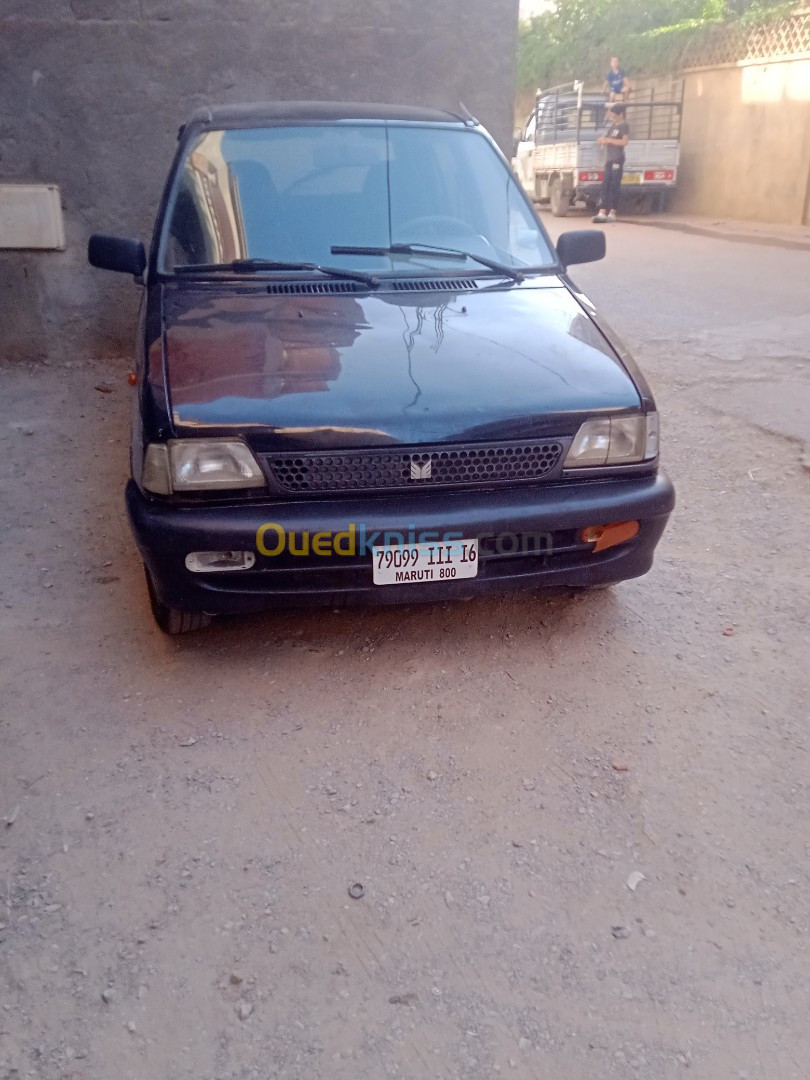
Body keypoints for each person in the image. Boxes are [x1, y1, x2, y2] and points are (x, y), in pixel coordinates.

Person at [592, 104, 629, 224]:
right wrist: (602, 140)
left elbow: (624, 141)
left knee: (614, 185)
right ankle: (602, 211)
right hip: (609, 159)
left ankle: (613, 212)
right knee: (605, 184)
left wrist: (608, 140)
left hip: (617, 158)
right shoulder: (613, 126)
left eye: (614, 116)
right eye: (611, 115)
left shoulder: (624, 126)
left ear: (621, 115)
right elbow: (607, 137)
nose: (612, 118)